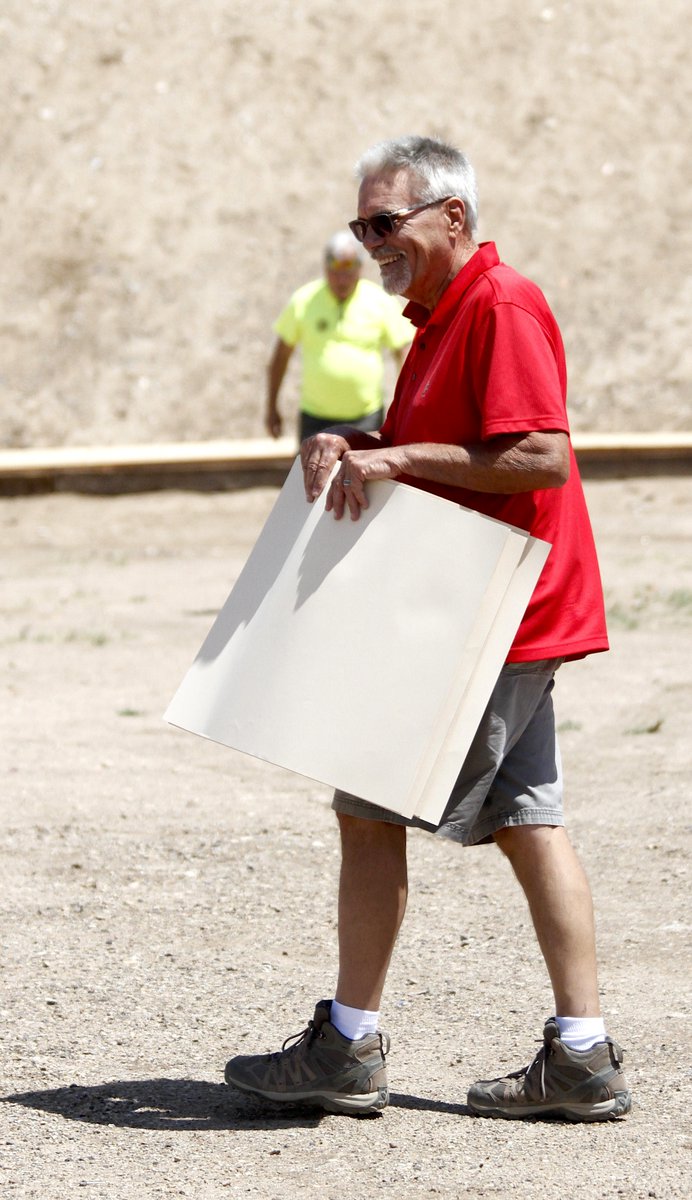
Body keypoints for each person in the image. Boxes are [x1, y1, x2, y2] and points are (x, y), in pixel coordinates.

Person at [226, 136, 632, 1122]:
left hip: (491, 615)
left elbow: (534, 456)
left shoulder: (501, 304)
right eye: (361, 226)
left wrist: (396, 462)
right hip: (502, 611)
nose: (369, 244)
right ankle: (579, 1056)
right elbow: (454, 443)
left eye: (383, 223)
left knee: (366, 812)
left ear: (450, 216)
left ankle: (347, 1045)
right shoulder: (441, 316)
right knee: (531, 821)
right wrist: (360, 442)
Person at [265, 230, 412, 442]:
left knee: (364, 475)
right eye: (335, 271)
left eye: (349, 271)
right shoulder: (304, 300)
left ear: (360, 269)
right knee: (306, 474)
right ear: (325, 268)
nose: (342, 279)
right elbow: (280, 356)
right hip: (315, 418)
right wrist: (271, 406)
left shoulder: (380, 301)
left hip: (366, 417)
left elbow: (404, 353)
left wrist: (405, 408)